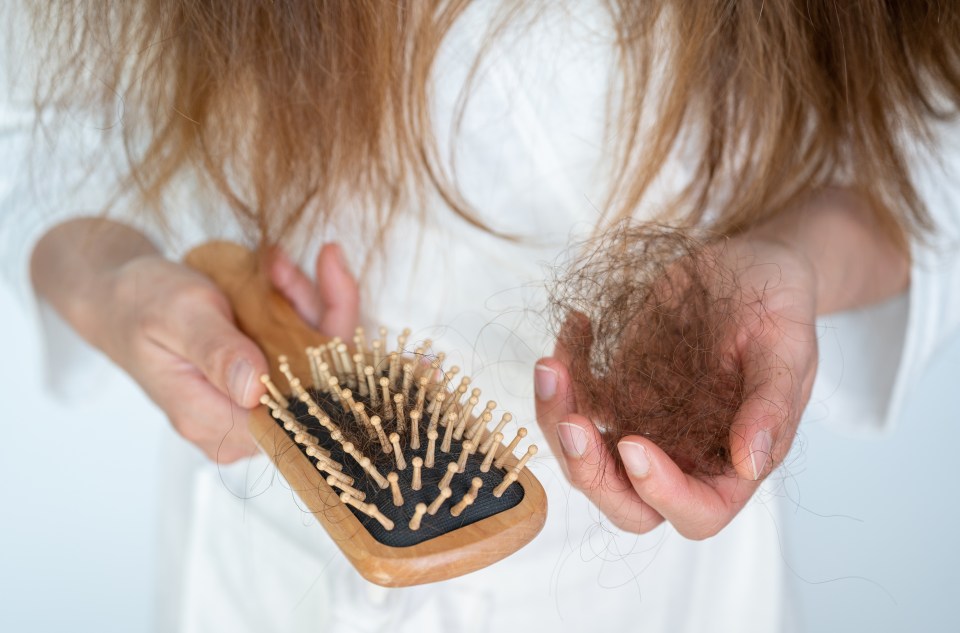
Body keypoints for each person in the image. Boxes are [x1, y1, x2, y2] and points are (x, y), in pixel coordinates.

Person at [4, 2, 960, 631]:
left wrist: (791, 258)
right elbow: (40, 121)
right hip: (273, 566)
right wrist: (112, 279)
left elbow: (923, 143)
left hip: (650, 593)